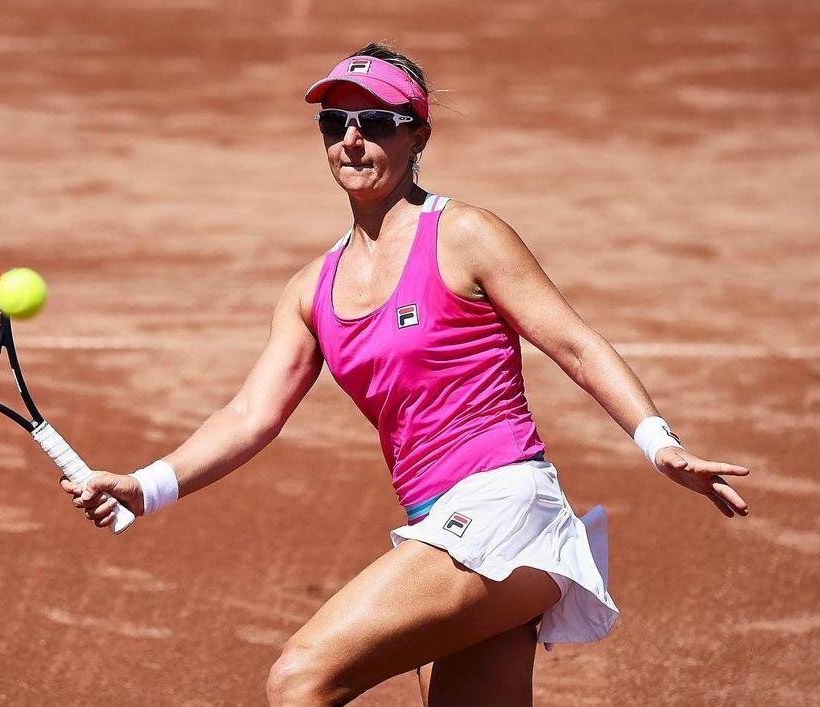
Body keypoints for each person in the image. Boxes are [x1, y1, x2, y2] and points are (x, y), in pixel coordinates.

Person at [61, 42, 751, 706]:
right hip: (445, 523)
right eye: (335, 123)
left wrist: (657, 441)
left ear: (418, 135)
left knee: (300, 678)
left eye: (376, 123)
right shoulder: (311, 289)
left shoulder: (466, 234)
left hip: (504, 511)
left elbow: (574, 343)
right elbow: (250, 414)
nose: (351, 140)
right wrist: (143, 486)